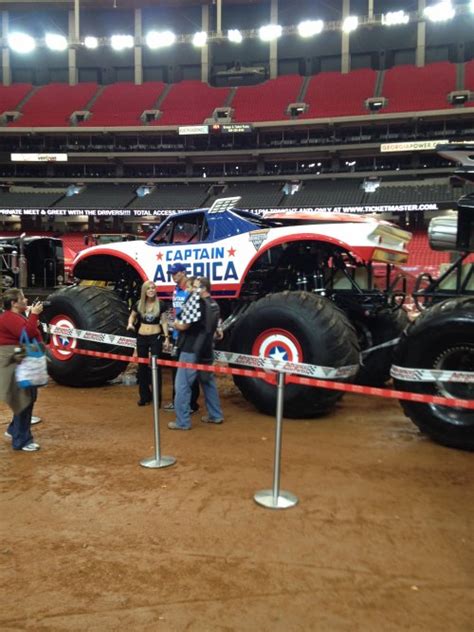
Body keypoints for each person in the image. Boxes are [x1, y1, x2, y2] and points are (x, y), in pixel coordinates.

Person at [168, 276, 224, 431]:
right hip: (206, 349)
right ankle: (215, 414)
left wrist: (173, 324)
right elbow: (217, 332)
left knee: (182, 386)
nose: (191, 289)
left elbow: (184, 326)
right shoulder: (214, 305)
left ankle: (182, 422)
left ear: (203, 288)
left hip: (191, 349)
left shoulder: (196, 303)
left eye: (195, 286)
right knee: (208, 382)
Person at [0, 289, 44, 451]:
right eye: (22, 298)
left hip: (20, 360)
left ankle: (14, 430)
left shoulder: (13, 317)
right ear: (13, 303)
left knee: (27, 397)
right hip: (17, 362)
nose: (26, 300)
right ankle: (21, 440)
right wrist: (34, 315)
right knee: (24, 399)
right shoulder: (10, 318)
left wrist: (32, 319)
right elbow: (28, 333)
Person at [163, 262, 200, 414]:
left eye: (176, 273)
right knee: (176, 370)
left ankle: (191, 403)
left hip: (188, 335)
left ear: (183, 272)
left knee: (189, 371)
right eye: (171, 273)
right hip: (177, 335)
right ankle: (178, 401)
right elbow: (175, 311)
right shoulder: (176, 290)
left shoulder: (190, 292)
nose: (173, 276)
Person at [127, 280, 169, 406]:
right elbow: (132, 316)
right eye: (149, 288)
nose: (151, 290)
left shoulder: (161, 304)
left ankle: (157, 399)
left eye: (153, 288)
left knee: (156, 368)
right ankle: (144, 397)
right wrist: (130, 324)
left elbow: (164, 322)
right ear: (144, 291)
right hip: (141, 337)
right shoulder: (139, 304)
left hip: (155, 337)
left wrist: (166, 337)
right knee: (142, 367)